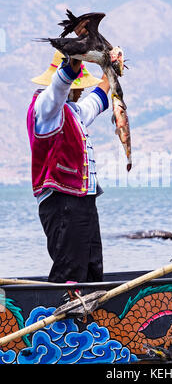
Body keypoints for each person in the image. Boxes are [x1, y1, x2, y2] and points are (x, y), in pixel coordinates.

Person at [27, 45, 112, 283]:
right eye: (78, 85)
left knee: (92, 267)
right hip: (62, 201)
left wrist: (110, 72)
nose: (82, 92)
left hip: (82, 201)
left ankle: (90, 316)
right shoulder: (45, 109)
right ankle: (58, 316)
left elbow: (97, 100)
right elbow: (57, 90)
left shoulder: (73, 112)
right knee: (70, 270)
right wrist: (74, 59)